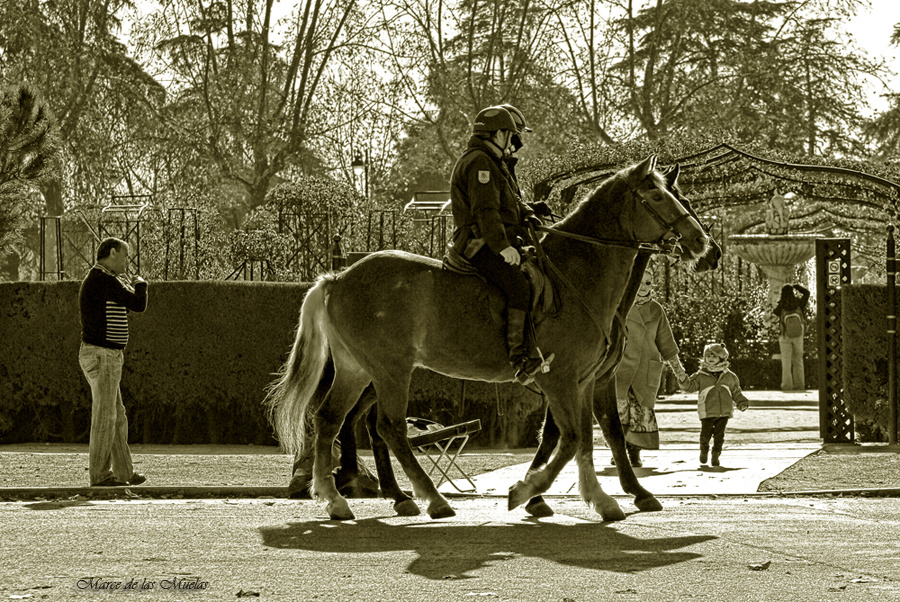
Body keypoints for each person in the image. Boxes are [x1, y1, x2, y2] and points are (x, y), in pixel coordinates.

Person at [448, 105, 545, 384]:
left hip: (491, 240)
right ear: (499, 133)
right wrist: (503, 247)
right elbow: (486, 212)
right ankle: (518, 359)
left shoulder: (491, 160)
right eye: (510, 134)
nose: (513, 141)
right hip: (477, 245)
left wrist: (529, 214)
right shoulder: (480, 162)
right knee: (518, 286)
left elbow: (510, 202)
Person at [79, 237, 148, 486]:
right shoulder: (102, 280)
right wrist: (141, 285)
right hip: (103, 355)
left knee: (117, 415)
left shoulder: (105, 280)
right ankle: (99, 475)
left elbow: (125, 301)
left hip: (105, 355)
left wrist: (131, 285)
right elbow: (138, 303)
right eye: (125, 256)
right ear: (111, 253)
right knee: (106, 416)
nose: (127, 262)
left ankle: (124, 473)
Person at [613, 271, 688, 467]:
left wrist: (679, 373)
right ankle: (618, 453)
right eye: (640, 281)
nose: (644, 286)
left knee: (640, 413)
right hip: (620, 367)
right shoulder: (618, 305)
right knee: (619, 411)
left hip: (646, 368)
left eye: (648, 282)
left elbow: (667, 344)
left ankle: (635, 454)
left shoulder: (656, 310)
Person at [677, 343, 750, 466]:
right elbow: (690, 387)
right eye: (708, 355)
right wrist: (683, 380)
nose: (710, 357)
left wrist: (741, 402)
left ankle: (716, 455)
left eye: (714, 356)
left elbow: (736, 392)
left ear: (722, 358)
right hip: (707, 410)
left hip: (724, 412)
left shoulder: (730, 377)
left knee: (719, 436)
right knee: (705, 434)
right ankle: (704, 450)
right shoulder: (700, 375)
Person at [772, 283, 810, 390]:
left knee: (786, 361)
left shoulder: (782, 305)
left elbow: (775, 312)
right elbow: (807, 293)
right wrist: (797, 286)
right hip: (798, 334)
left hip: (785, 335)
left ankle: (787, 385)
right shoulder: (799, 303)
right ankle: (800, 384)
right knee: (798, 360)